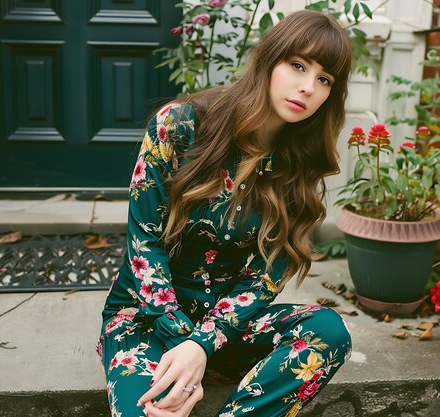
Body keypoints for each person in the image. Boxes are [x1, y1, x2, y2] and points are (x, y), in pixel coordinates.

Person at [97, 9, 353, 417]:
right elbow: (143, 241)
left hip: (224, 329)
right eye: (298, 65)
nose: (307, 88)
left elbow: (266, 276)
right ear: (270, 60)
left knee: (327, 330)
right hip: (146, 318)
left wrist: (201, 346)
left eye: (324, 80)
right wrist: (184, 349)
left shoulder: (298, 168)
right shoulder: (181, 125)